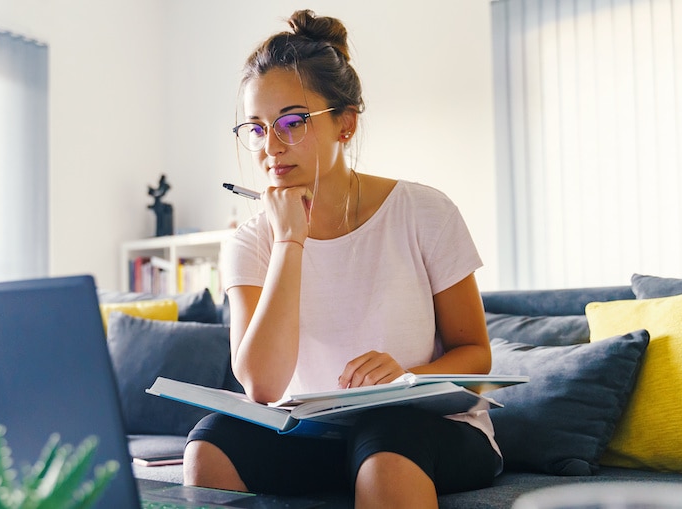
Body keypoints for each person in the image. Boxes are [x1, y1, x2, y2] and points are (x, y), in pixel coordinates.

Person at [184, 10, 500, 508]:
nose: (271, 147)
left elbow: (476, 355)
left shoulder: (424, 211)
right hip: (317, 436)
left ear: (345, 124)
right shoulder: (250, 242)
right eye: (257, 128)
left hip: (426, 431)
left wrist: (407, 375)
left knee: (386, 437)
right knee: (211, 440)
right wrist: (290, 241)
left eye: (291, 122)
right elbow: (262, 387)